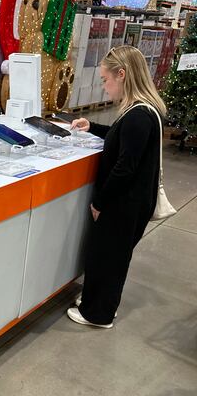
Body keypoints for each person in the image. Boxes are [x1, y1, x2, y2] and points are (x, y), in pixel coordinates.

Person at [66, 45, 167, 329]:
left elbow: (125, 166)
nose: (104, 86)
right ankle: (95, 302)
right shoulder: (143, 111)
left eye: (105, 80)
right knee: (109, 254)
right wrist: (93, 126)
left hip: (124, 203)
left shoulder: (138, 115)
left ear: (122, 75)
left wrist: (100, 201)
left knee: (108, 256)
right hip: (132, 202)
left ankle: (98, 314)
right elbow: (121, 139)